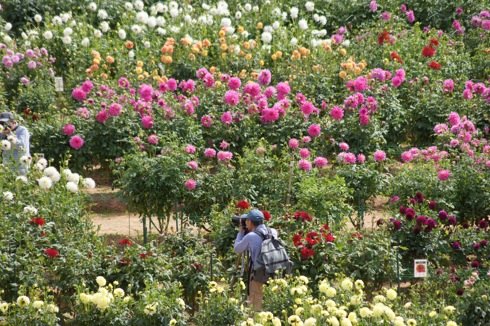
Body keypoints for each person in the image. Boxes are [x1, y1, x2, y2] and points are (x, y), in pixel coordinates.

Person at [234, 208, 277, 311]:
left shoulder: (251, 236)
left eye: (247, 220)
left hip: (258, 274)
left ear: (250, 222)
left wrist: (240, 232)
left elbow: (237, 249)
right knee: (270, 302)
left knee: (255, 304)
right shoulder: (273, 231)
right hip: (274, 270)